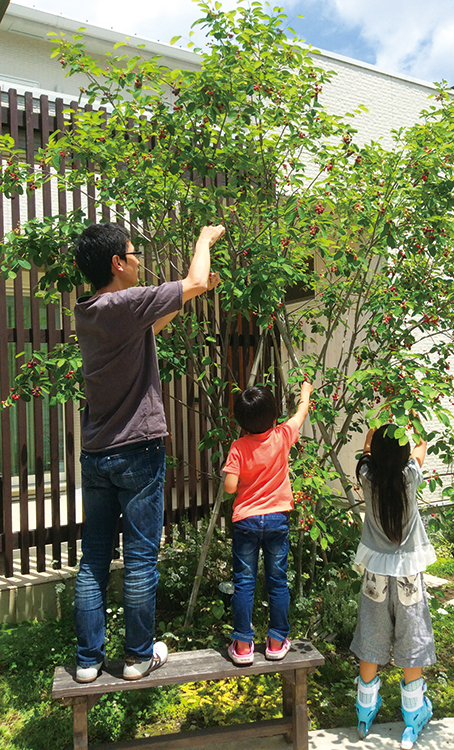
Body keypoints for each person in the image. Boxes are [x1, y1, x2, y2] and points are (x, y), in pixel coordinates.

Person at [73, 221, 224, 683]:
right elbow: (196, 279)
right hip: (137, 450)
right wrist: (204, 240)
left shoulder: (92, 310)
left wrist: (186, 297)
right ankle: (139, 657)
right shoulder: (124, 302)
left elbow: (152, 324)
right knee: (139, 557)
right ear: (118, 263)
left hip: (97, 453)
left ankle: (87, 662)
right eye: (135, 253)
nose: (140, 260)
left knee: (94, 557)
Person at [350, 419, 437, 749]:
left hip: (375, 574)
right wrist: (412, 426)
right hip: (408, 575)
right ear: (403, 456)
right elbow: (421, 448)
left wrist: (374, 430)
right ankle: (414, 716)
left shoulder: (366, 477)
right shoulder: (409, 478)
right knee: (411, 637)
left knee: (372, 633)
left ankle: (364, 710)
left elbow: (369, 448)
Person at [222, 381, 313, 665]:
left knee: (244, 582)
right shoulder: (283, 435)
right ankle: (275, 641)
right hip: (277, 519)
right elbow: (301, 413)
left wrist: (237, 475)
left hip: (247, 521)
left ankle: (243, 645)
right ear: (274, 417)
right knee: (277, 580)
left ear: (240, 420)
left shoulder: (238, 447)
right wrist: (305, 392)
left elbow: (229, 487)